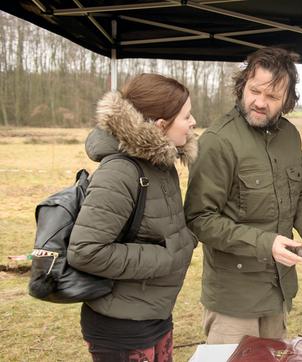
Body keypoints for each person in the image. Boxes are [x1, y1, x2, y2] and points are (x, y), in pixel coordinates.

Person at [184, 47, 302, 344]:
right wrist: (265, 243)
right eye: (254, 90)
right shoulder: (217, 141)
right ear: (242, 87)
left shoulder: (290, 136)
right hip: (234, 299)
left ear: (287, 100)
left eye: (273, 97)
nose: (260, 102)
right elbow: (200, 219)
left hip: (278, 290)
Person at [67, 73, 198, 361]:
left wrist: (185, 240)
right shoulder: (120, 173)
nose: (193, 122)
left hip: (154, 313)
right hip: (120, 327)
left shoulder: (161, 166)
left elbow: (160, 227)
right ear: (161, 125)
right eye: (186, 116)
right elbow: (85, 251)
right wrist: (164, 258)